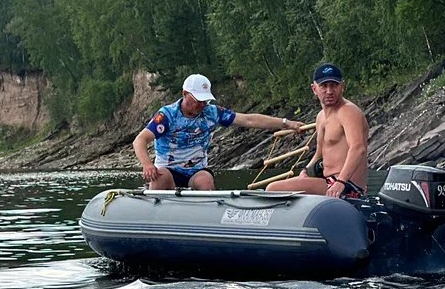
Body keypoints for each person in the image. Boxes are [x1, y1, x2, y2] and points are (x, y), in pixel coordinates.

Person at [132, 73, 305, 190]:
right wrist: (147, 164)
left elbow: (248, 119)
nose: (201, 105)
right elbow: (140, 140)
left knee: (205, 181)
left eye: (205, 101)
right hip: (168, 169)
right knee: (160, 178)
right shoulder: (167, 115)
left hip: (196, 170)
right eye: (198, 100)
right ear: (185, 94)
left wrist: (286, 123)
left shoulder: (212, 112)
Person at [266, 63, 369, 199]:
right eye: (324, 86)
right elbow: (319, 154)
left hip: (348, 185)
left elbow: (358, 148)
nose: (329, 91)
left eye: (334, 85)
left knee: (272, 189)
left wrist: (340, 182)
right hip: (328, 181)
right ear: (314, 89)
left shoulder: (349, 111)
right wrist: (305, 171)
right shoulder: (320, 117)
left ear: (342, 86)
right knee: (281, 187)